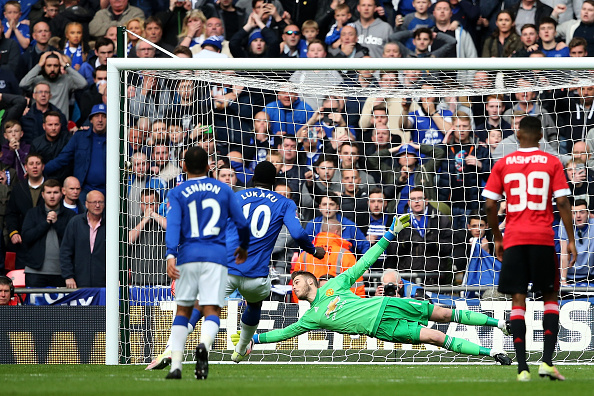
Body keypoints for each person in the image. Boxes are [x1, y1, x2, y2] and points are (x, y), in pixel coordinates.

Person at [231, 214, 512, 365]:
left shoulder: (334, 284)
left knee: (442, 314)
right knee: (435, 337)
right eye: (293, 281)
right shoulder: (309, 318)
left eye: (298, 279)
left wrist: (388, 235)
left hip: (387, 306)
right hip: (382, 330)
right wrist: (253, 339)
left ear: (312, 281)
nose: (294, 283)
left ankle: (500, 323)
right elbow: (283, 333)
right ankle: (492, 354)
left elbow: (364, 262)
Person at [483, 116, 576, 381]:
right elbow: (563, 203)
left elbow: (490, 205)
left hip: (513, 239)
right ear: (539, 136)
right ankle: (546, 361)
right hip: (543, 238)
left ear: (519, 135)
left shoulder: (503, 163)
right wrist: (569, 238)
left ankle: (522, 367)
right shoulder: (552, 162)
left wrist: (497, 237)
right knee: (550, 296)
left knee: (517, 299)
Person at [163, 146, 250, 380]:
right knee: (212, 310)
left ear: (183, 166)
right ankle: (204, 345)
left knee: (183, 310)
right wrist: (243, 246)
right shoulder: (223, 189)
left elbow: (172, 226)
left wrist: (171, 255)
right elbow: (242, 223)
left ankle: (176, 366)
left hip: (187, 256)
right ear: (210, 167)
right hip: (217, 257)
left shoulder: (178, 192)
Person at [44, 104, 107, 200]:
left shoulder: (116, 140)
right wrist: (42, 170)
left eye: (104, 116)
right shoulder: (80, 137)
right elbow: (63, 158)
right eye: (96, 116)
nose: (100, 120)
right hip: (84, 189)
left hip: (109, 190)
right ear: (91, 120)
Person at [21, 179, 75, 287]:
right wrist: (46, 223)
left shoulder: (70, 215)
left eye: (55, 192)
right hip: (35, 271)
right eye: (48, 192)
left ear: (61, 194)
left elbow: (73, 241)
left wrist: (56, 223)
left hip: (62, 272)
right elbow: (26, 237)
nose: (52, 196)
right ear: (43, 194)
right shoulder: (32, 213)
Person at [19, 51, 88, 119]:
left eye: (56, 66)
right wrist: (39, 65)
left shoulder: (66, 80)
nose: (52, 69)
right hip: (39, 123)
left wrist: (65, 65)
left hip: (61, 124)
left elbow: (83, 83)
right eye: (49, 65)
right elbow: (23, 84)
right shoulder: (37, 80)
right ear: (43, 66)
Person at [60, 190, 107, 288]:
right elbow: (65, 251)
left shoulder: (110, 224)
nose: (97, 205)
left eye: (100, 202)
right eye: (94, 202)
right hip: (78, 281)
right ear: (86, 204)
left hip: (104, 282)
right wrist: (68, 276)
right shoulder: (75, 223)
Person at [128, 188, 168, 285]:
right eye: (145, 204)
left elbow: (172, 229)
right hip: (138, 278)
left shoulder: (163, 221)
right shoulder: (133, 221)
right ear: (139, 204)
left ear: (158, 204)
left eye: (152, 204)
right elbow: (127, 240)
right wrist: (144, 221)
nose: (148, 207)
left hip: (161, 279)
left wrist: (154, 215)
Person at [30, 111, 71, 181]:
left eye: (56, 124)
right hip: (44, 181)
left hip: (65, 181)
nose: (53, 128)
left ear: (60, 125)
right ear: (44, 126)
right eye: (50, 125)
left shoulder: (68, 139)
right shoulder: (36, 143)